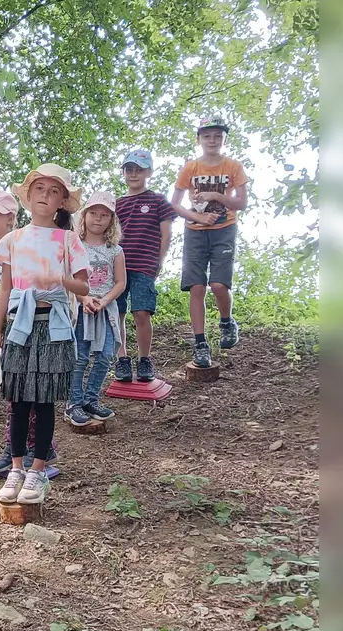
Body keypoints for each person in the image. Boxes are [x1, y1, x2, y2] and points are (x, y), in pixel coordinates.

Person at [0, 164, 90, 505]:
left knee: (44, 401)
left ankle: (38, 470)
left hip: (53, 323)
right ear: (28, 197)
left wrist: (60, 280)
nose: (45, 196)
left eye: (53, 191)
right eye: (39, 190)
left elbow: (84, 285)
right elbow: (4, 290)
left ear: (62, 201)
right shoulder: (12, 240)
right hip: (19, 324)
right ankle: (16, 467)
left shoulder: (68, 239)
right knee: (18, 400)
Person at [0, 191, 58, 476]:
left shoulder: (26, 243)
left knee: (34, 390)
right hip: (14, 324)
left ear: (11, 218)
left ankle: (37, 450)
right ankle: (17, 448)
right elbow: (4, 292)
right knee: (16, 391)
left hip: (38, 323)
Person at [172, 116, 251, 368]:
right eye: (207, 136)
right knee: (197, 288)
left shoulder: (233, 167)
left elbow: (242, 203)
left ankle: (227, 322)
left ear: (224, 139)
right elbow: (174, 204)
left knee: (218, 284)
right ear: (199, 139)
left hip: (224, 230)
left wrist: (216, 194)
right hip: (195, 232)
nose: (212, 140)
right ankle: (200, 344)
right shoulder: (190, 168)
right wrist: (197, 216)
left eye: (218, 135)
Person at [112, 149, 178, 383]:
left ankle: (144, 359)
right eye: (129, 169)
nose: (133, 174)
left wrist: (159, 261)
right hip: (118, 266)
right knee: (117, 313)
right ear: (124, 173)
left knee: (142, 312)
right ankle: (122, 359)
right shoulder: (116, 204)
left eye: (139, 169)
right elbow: (110, 234)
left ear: (149, 171)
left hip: (145, 265)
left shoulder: (158, 200)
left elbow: (166, 233)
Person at [68, 191, 125, 426]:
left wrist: (105, 300)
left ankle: (92, 398)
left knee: (105, 356)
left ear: (111, 220)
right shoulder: (75, 245)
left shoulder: (115, 250)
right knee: (80, 357)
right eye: (93, 213)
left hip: (106, 309)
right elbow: (68, 277)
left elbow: (120, 282)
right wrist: (84, 298)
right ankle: (74, 402)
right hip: (82, 307)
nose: (97, 219)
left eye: (104, 215)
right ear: (84, 215)